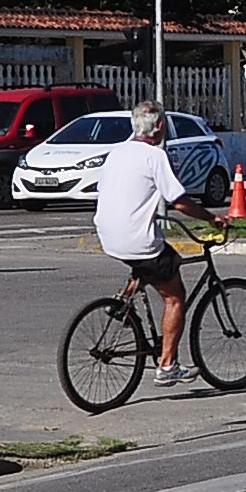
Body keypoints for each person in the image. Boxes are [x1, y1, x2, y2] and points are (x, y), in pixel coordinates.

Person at [91, 102, 208, 386]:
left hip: (108, 234)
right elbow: (179, 202)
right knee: (174, 296)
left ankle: (125, 297)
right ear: (160, 127)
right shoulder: (155, 156)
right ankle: (167, 365)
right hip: (138, 240)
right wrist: (213, 219)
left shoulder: (116, 153)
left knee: (148, 262)